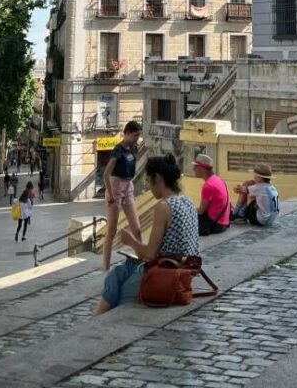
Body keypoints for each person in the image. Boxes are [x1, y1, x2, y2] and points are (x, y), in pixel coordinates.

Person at [93, 153, 199, 314]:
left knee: (122, 291)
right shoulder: (188, 201)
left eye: (149, 181)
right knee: (116, 273)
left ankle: (101, 317)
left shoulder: (163, 207)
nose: (149, 187)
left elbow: (150, 254)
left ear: (157, 178)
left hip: (165, 270)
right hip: (183, 265)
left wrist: (131, 241)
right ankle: (97, 316)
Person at [101, 120, 143, 270]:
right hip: (116, 186)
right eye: (135, 135)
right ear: (127, 133)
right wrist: (111, 194)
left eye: (139, 135)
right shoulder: (118, 150)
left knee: (136, 228)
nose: (137, 138)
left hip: (128, 185)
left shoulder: (134, 148)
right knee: (111, 230)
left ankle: (142, 258)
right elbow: (106, 174)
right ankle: (105, 266)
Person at [192, 154, 230, 236]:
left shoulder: (208, 186)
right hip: (224, 222)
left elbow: (201, 211)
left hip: (216, 225)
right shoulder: (218, 179)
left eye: (195, 167)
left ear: (202, 168)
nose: (193, 169)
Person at [232, 163, 279, 227]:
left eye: (255, 176)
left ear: (259, 177)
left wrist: (237, 188)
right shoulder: (271, 187)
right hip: (270, 220)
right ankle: (238, 213)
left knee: (248, 185)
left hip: (261, 220)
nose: (254, 178)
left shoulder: (259, 188)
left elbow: (242, 189)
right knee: (250, 189)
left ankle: (237, 214)